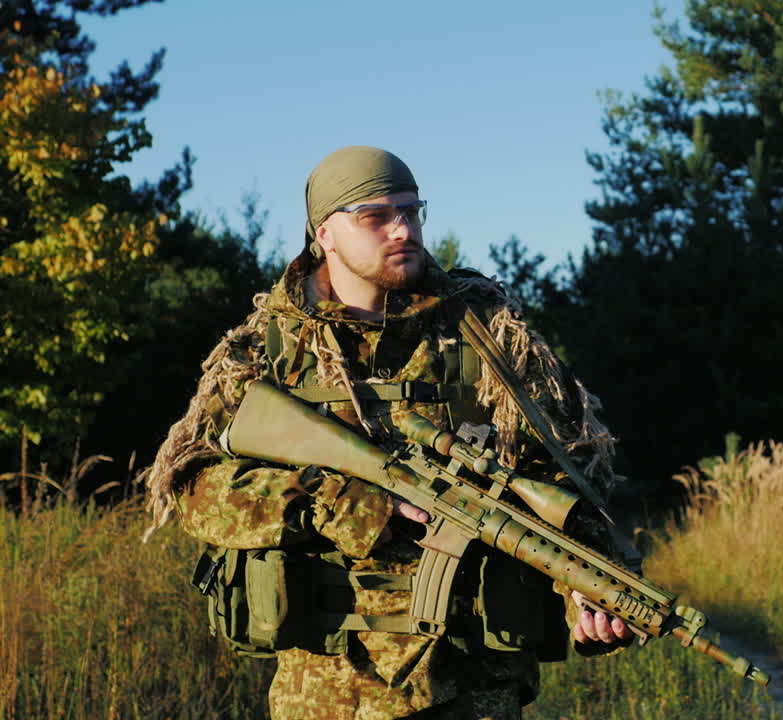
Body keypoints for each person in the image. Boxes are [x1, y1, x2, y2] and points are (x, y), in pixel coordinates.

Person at [145, 146, 632, 720]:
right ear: (324, 232)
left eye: (411, 211)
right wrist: (338, 503)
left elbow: (562, 479)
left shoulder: (488, 335)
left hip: (477, 689)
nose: (402, 229)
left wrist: (586, 595)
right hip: (329, 690)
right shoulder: (266, 353)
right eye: (374, 216)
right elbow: (193, 487)